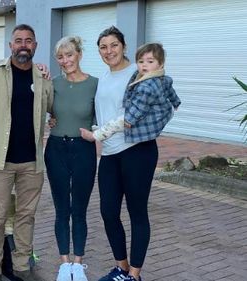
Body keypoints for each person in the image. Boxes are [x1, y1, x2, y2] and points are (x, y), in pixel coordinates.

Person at [80, 26, 179, 281]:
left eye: (114, 45)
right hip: (110, 154)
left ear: (123, 46)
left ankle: (134, 275)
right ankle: (121, 268)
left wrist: (98, 134)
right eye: (103, 47)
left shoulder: (140, 74)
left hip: (137, 152)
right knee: (108, 211)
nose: (109, 51)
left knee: (137, 212)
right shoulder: (103, 78)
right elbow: (100, 114)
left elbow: (156, 105)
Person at [0, 24, 53, 281]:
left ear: (35, 46)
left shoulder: (43, 77)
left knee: (26, 216)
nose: (23, 45)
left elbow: (52, 107)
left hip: (32, 163)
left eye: (28, 41)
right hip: (0, 161)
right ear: (10, 46)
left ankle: (21, 267)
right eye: (18, 40)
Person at [44, 36, 98, 281]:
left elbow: (105, 117)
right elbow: (43, 108)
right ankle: (64, 264)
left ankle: (78, 264)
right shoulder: (52, 84)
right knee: (61, 208)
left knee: (80, 208)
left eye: (69, 55)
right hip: (56, 149)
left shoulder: (95, 84)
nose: (65, 61)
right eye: (60, 57)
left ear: (79, 54)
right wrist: (49, 120)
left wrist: (97, 132)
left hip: (84, 150)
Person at [80, 42, 180, 143]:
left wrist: (128, 120)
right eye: (141, 62)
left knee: (117, 124)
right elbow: (171, 92)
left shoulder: (146, 87)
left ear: (161, 64)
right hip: (157, 116)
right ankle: (102, 129)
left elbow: (133, 113)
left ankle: (96, 135)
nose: (144, 65)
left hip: (145, 124)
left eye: (150, 62)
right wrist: (176, 103)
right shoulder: (162, 78)